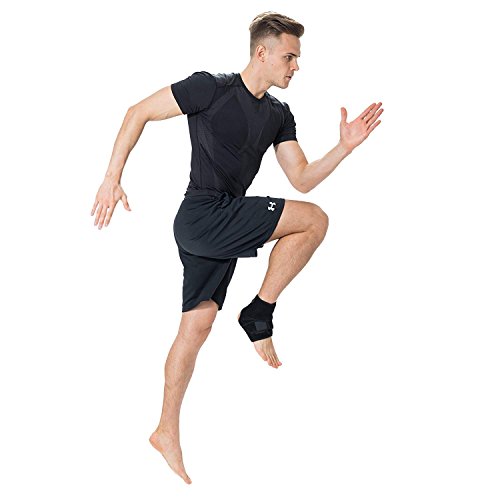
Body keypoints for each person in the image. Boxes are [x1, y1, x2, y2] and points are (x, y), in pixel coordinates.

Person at [90, 11, 383, 485]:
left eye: (297, 59)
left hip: (218, 223)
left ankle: (165, 430)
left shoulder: (279, 115)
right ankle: (258, 313)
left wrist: (344, 147)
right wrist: (111, 178)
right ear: (262, 53)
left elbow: (301, 177)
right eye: (289, 57)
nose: (295, 66)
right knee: (314, 221)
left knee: (197, 325)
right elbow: (137, 112)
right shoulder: (210, 88)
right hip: (203, 213)